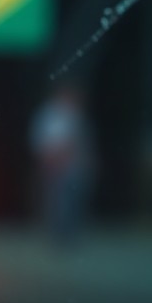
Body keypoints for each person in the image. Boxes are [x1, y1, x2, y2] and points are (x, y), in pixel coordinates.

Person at [30, 82, 96, 248]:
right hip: (54, 166)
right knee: (56, 202)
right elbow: (41, 142)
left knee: (72, 202)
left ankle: (69, 236)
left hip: (74, 168)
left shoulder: (76, 116)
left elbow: (84, 144)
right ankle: (57, 237)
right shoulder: (49, 115)